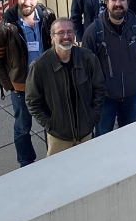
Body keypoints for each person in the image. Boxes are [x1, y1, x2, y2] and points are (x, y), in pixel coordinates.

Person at [0, 0, 55, 168]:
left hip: (47, 83)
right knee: (23, 127)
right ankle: (26, 162)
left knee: (51, 122)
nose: (26, 2)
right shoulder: (3, 27)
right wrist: (10, 86)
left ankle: (53, 155)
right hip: (21, 88)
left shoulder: (48, 17)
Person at [25, 18, 106, 156]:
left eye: (69, 32)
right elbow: (32, 101)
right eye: (61, 32)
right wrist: (50, 124)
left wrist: (93, 116)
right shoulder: (39, 66)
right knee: (58, 169)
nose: (66, 36)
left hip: (85, 132)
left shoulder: (88, 58)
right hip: (59, 137)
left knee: (88, 165)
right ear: (52, 37)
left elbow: (99, 88)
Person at [82, 0, 136, 138]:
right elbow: (85, 66)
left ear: (127, 3)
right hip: (105, 98)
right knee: (103, 137)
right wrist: (99, 87)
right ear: (106, 3)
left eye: (122, 0)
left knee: (128, 136)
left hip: (131, 95)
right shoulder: (94, 31)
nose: (118, 4)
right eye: (113, 0)